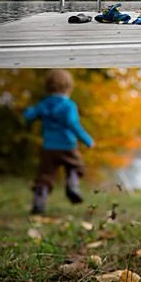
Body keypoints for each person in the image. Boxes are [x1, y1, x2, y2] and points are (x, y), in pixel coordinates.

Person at [23, 69, 94, 215]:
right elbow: (73, 123)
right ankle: (72, 186)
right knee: (75, 166)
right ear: (68, 87)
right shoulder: (69, 105)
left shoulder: (44, 104)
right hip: (67, 145)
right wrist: (87, 140)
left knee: (44, 176)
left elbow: (29, 116)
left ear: (48, 87)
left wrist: (28, 110)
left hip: (48, 147)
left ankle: (39, 203)